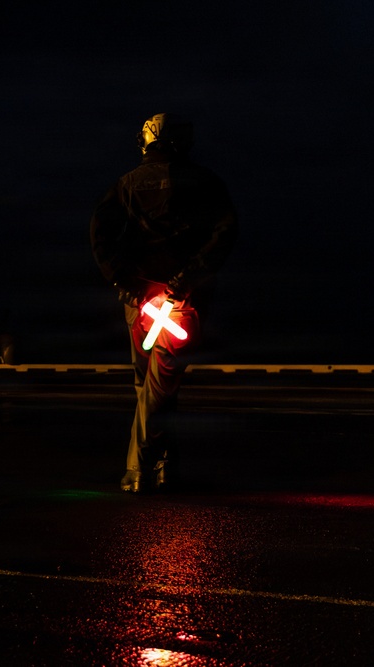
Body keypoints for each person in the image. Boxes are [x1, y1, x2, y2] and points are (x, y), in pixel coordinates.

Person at [89, 113, 238, 492]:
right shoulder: (206, 183)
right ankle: (154, 467)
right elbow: (224, 233)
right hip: (186, 298)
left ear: (146, 141)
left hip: (139, 298)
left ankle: (142, 468)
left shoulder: (126, 185)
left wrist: (122, 281)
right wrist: (189, 278)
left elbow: (100, 233)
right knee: (162, 381)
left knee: (147, 381)